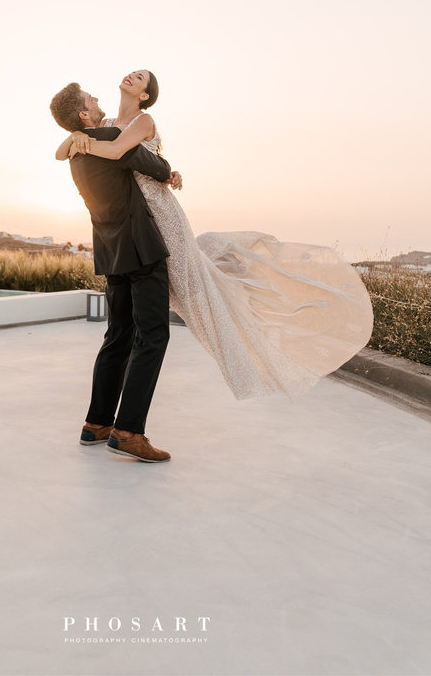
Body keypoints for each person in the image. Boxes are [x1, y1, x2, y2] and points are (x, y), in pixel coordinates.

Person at [58, 70, 375, 404]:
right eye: (132, 72)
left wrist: (87, 141)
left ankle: (261, 331)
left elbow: (121, 150)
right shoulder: (103, 120)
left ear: (145, 96)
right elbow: (67, 150)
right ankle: (122, 428)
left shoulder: (144, 120)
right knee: (145, 324)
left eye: (140, 78)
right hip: (136, 225)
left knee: (193, 291)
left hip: (159, 217)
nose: (131, 76)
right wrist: (75, 136)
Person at [49, 80, 182, 463]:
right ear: (84, 115)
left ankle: (97, 423)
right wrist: (169, 170)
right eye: (91, 100)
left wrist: (73, 135)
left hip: (110, 251)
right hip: (140, 248)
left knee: (118, 335)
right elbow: (149, 162)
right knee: (153, 336)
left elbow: (64, 150)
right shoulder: (111, 136)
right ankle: (128, 431)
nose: (97, 99)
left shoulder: (76, 149)